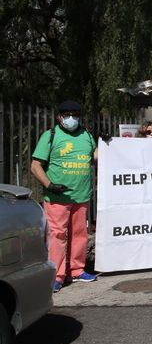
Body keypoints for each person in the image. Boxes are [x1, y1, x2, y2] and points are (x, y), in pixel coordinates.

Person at [30, 100, 99, 293]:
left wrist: (108, 144)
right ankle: (56, 275)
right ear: (59, 117)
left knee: (79, 235)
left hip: (81, 196)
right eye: (67, 115)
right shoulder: (50, 136)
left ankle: (77, 270)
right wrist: (49, 185)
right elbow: (35, 165)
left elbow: (94, 156)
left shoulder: (86, 135)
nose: (71, 119)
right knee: (57, 236)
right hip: (57, 198)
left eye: (75, 115)